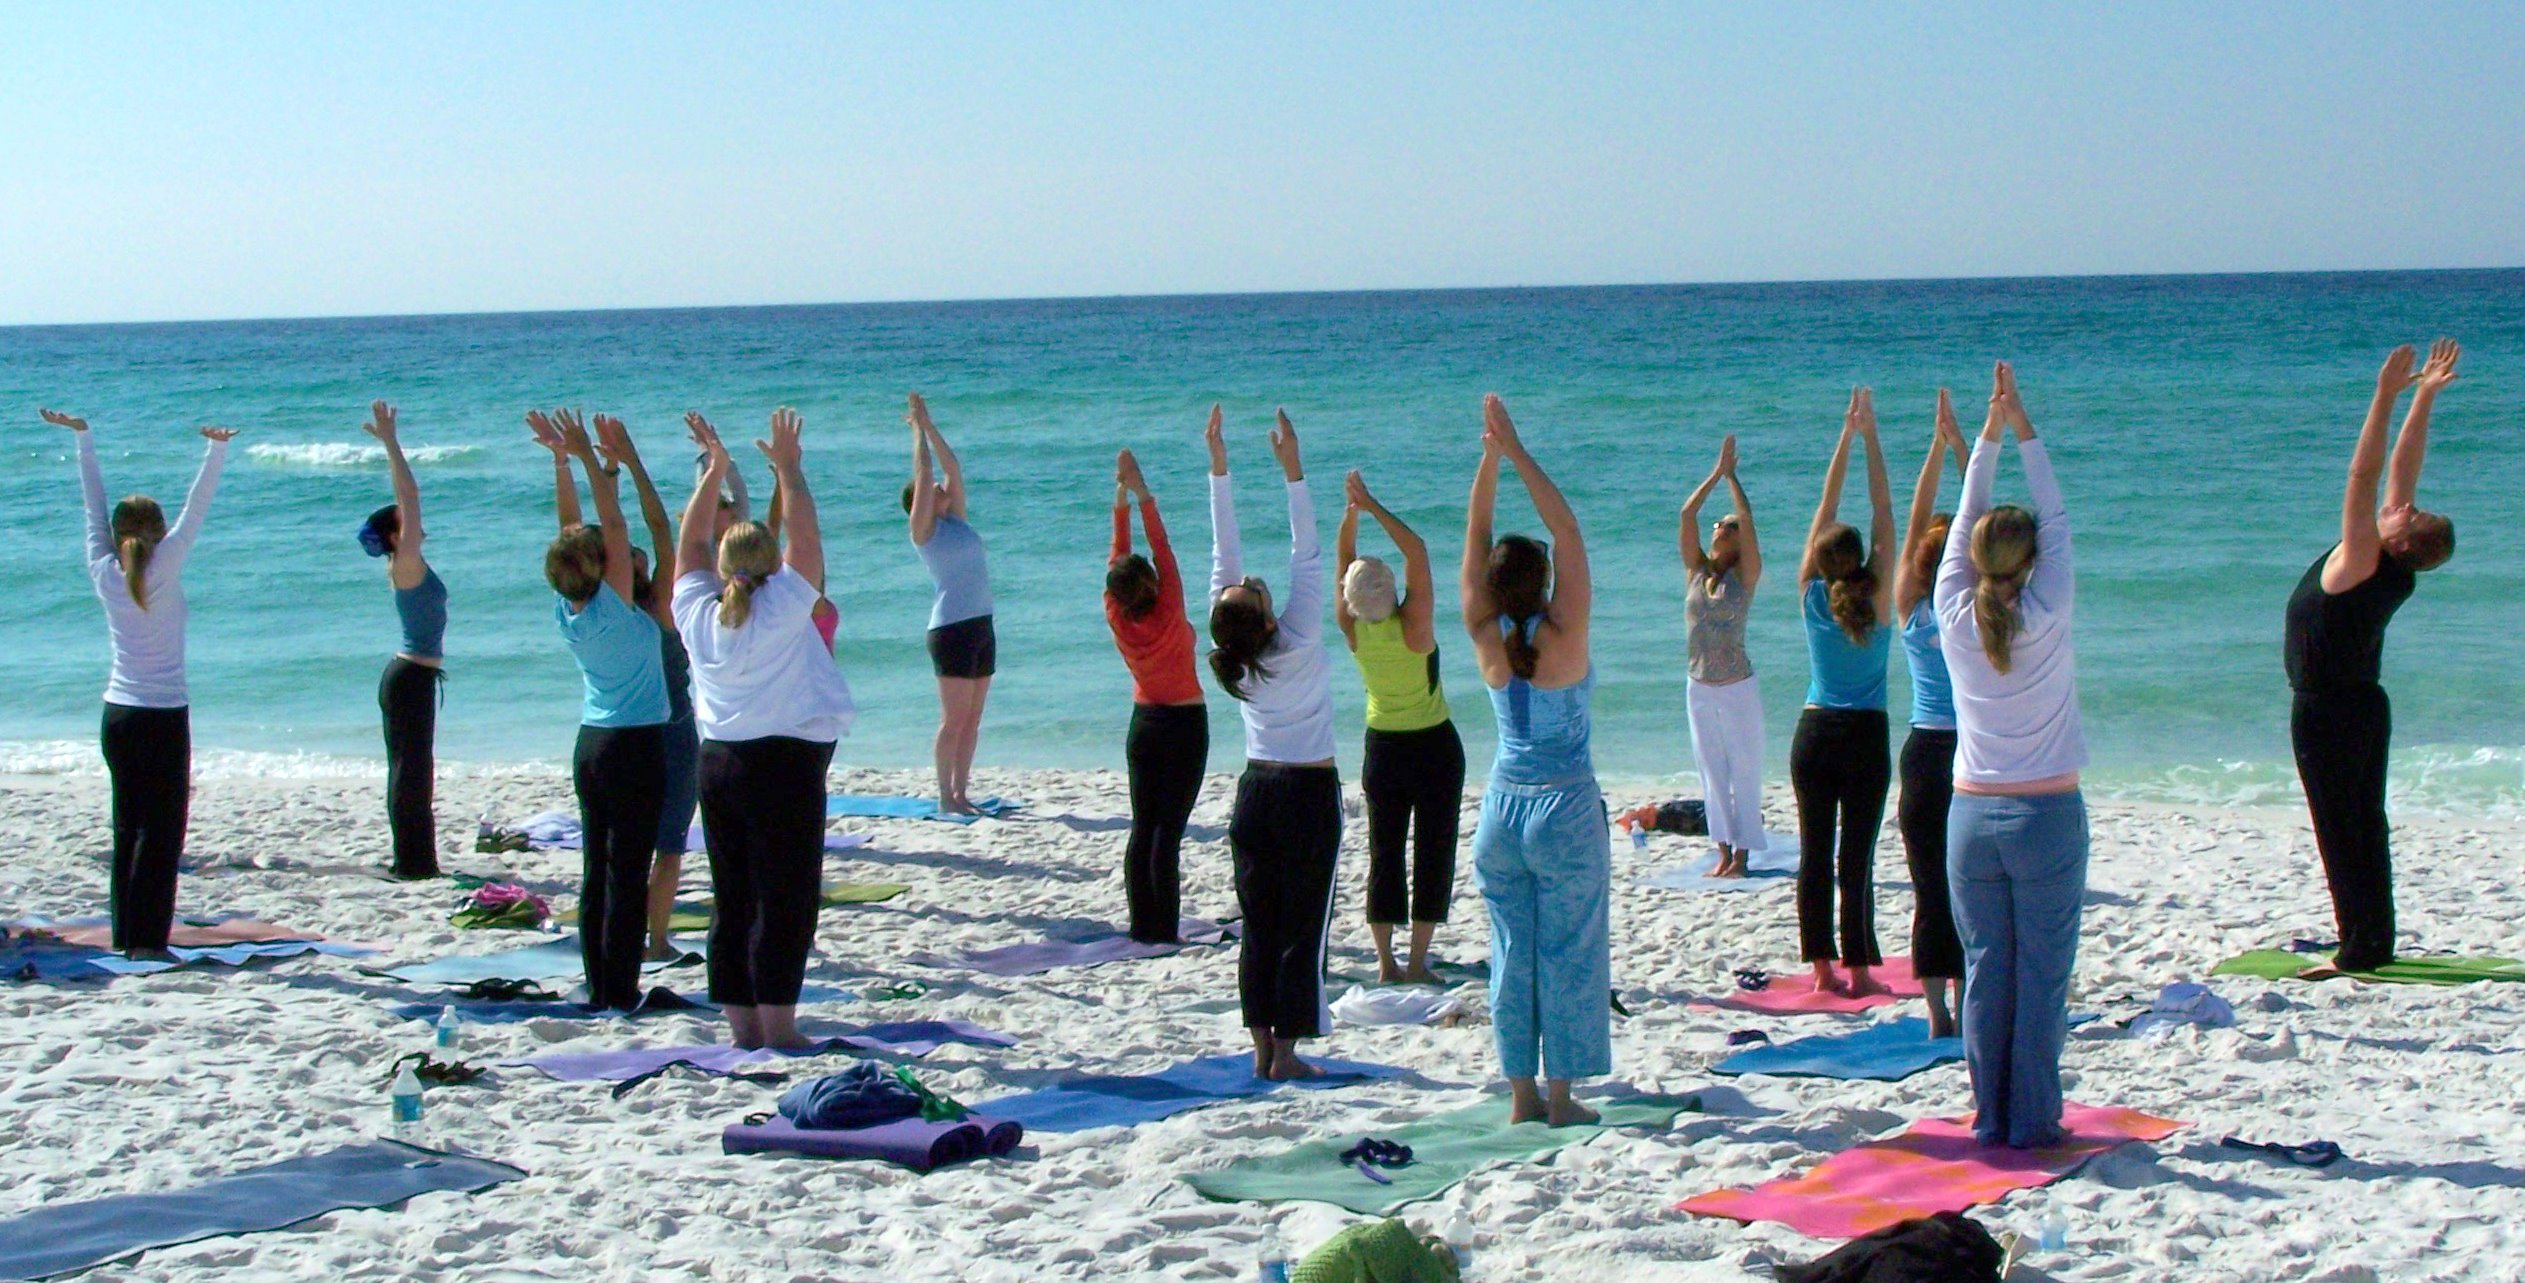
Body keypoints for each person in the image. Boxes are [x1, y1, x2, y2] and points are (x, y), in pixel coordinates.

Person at [1936, 361, 2086, 1149]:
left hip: (1970, 816)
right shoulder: (2047, 606)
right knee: (2041, 975)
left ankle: (1989, 1114)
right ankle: (2030, 1116)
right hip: (2045, 815)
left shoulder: (1953, 611)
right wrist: (2020, 425)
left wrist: (1986, 442)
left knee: (1988, 968)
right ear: (2028, 563)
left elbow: (1964, 525)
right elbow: (2056, 519)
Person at [675, 408, 856, 1050]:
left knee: (733, 897)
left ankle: (742, 1028)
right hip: (782, 765)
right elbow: (806, 543)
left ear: (724, 568)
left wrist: (714, 474)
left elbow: (690, 545)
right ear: (770, 565)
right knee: (786, 897)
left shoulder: (697, 607)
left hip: (719, 762)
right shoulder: (783, 603)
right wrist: (791, 472)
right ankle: (779, 1027)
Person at [2285, 340, 2461, 974]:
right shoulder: (2389, 561)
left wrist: (2384, 395)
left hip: (2330, 712)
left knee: (2342, 829)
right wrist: (2424, 398)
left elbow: (2363, 478)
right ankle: (2369, 938)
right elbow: (2398, 477)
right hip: (2361, 705)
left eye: (2410, 513)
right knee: (2362, 825)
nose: (2404, 503)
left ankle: (2358, 948)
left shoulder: (2361, 560)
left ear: (2402, 539)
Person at [1460, 394, 1610, 1127]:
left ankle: (1520, 1094)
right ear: (1542, 580)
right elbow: (1567, 526)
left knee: (1511, 949)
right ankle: (1559, 1097)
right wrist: (1517, 451)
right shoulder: (1564, 630)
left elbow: (1474, 534)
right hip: (1563, 805)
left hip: (1501, 806)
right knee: (1569, 948)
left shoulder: (1484, 630)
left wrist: (1487, 462)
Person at [48, 409, 235, 958]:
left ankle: (128, 936)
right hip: (162, 717)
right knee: (162, 832)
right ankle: (149, 944)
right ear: (156, 532)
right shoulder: (166, 564)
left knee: (127, 828)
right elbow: (197, 509)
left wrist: (85, 439)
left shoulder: (101, 568)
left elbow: (90, 506)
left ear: (116, 532)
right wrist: (216, 449)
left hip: (118, 714)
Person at [1207, 405, 1339, 1081]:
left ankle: (1263, 1048)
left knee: (1259, 924)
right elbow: (1306, 552)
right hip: (1308, 791)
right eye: (1251, 589)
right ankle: (1285, 1051)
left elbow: (1222, 556)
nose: (1247, 575)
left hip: (1256, 791)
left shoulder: (1229, 653)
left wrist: (1219, 469)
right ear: (1261, 613)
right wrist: (1292, 471)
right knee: (1301, 924)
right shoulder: (1300, 639)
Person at [531, 409, 669, 1011]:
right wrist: (588, 456)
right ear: (602, 568)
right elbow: (610, 521)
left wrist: (564, 461)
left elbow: (575, 529)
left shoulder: (570, 608)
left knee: (596, 868)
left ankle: (597, 982)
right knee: (628, 872)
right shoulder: (616, 604)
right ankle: (620, 989)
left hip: (591, 745)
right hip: (635, 746)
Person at [1337, 469, 1465, 984]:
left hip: (1382, 747)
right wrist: (1372, 505)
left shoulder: (1351, 629)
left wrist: (1350, 514)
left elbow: (1344, 565)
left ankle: (1387, 962)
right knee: (1433, 849)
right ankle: (1417, 960)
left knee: (1384, 850)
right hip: (1434, 745)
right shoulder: (1415, 626)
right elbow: (1418, 552)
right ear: (1391, 591)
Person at [1793, 388, 1896, 997]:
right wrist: (1871, 436)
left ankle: (1822, 970)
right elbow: (1885, 509)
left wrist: (1844, 436)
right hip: (1865, 736)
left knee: (1814, 854)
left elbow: (1824, 506)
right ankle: (1859, 970)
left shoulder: (1810, 595)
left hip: (1814, 733)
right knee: (1855, 857)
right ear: (1860, 561)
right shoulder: (1878, 599)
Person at [595, 412, 701, 961]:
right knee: (667, 844)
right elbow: (664, 531)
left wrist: (605, 473)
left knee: (630, 842)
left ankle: (634, 933)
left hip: (623, 733)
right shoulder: (658, 606)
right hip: (673, 733)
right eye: (631, 554)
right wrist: (633, 464)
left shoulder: (604, 611)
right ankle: (655, 939)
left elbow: (597, 531)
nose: (637, 551)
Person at [1105, 447, 1207, 944]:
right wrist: (1136, 491)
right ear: (1150, 582)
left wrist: (1123, 498)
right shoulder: (1168, 605)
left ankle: (1141, 925)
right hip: (1185, 726)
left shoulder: (1117, 612)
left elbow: (1120, 558)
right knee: (1168, 831)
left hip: (1144, 723)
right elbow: (1160, 544)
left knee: (1143, 826)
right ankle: (1164, 929)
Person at [1895, 390, 1972, 1036]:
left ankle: (1935, 1013)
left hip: (1922, 752)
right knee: (1967, 884)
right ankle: (1963, 996)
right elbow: (1979, 522)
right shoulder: (1968, 607)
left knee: (1928, 889)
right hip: (1971, 752)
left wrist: (1934, 447)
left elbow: (1915, 513)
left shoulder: (1911, 610)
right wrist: (1963, 450)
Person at [358, 400, 445, 881]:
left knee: (413, 770)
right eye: (404, 524)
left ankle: (416, 860)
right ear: (394, 537)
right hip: (409, 677)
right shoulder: (406, 563)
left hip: (413, 676)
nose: (412, 524)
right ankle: (411, 863)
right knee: (410, 772)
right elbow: (410, 497)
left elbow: (409, 506)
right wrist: (391, 443)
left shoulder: (411, 564)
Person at [1678, 434, 1765, 878]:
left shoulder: (1745, 576)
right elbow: (1687, 514)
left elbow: (1747, 518)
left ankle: (1745, 855)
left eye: (1728, 528)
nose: (1719, 529)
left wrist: (1734, 480)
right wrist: (1715, 472)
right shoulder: (1696, 570)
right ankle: (1723, 851)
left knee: (1743, 771)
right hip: (1698, 684)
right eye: (1718, 526)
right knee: (1711, 771)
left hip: (1737, 685)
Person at [905, 393, 992, 814]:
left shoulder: (956, 521)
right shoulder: (926, 532)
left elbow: (952, 467)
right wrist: (917, 433)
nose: (942, 486)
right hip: (951, 628)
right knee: (954, 719)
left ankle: (961, 792)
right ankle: (944, 795)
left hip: (980, 623)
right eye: (934, 490)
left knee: (972, 719)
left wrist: (932, 424)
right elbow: (925, 474)